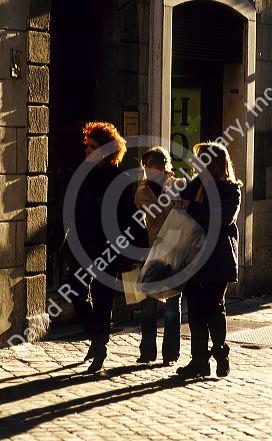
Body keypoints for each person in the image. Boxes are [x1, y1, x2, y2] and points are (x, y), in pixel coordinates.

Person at [68, 121, 146, 373]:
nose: (87, 151)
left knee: (102, 299)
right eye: (86, 146)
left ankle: (100, 347)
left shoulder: (119, 178)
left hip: (106, 249)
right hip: (82, 245)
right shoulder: (81, 175)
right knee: (75, 291)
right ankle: (96, 336)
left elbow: (128, 216)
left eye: (93, 147)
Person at [176, 142, 242, 379]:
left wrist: (191, 207)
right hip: (193, 257)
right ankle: (199, 361)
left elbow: (221, 219)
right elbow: (177, 202)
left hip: (217, 259)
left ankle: (220, 354)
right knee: (195, 311)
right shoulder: (196, 185)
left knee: (215, 308)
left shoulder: (230, 190)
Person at [135, 146, 182, 366]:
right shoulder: (142, 191)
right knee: (148, 305)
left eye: (152, 164)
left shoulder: (178, 185)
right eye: (146, 165)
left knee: (173, 305)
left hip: (174, 251)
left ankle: (171, 354)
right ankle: (147, 352)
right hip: (151, 251)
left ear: (164, 165)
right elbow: (150, 220)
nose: (148, 169)